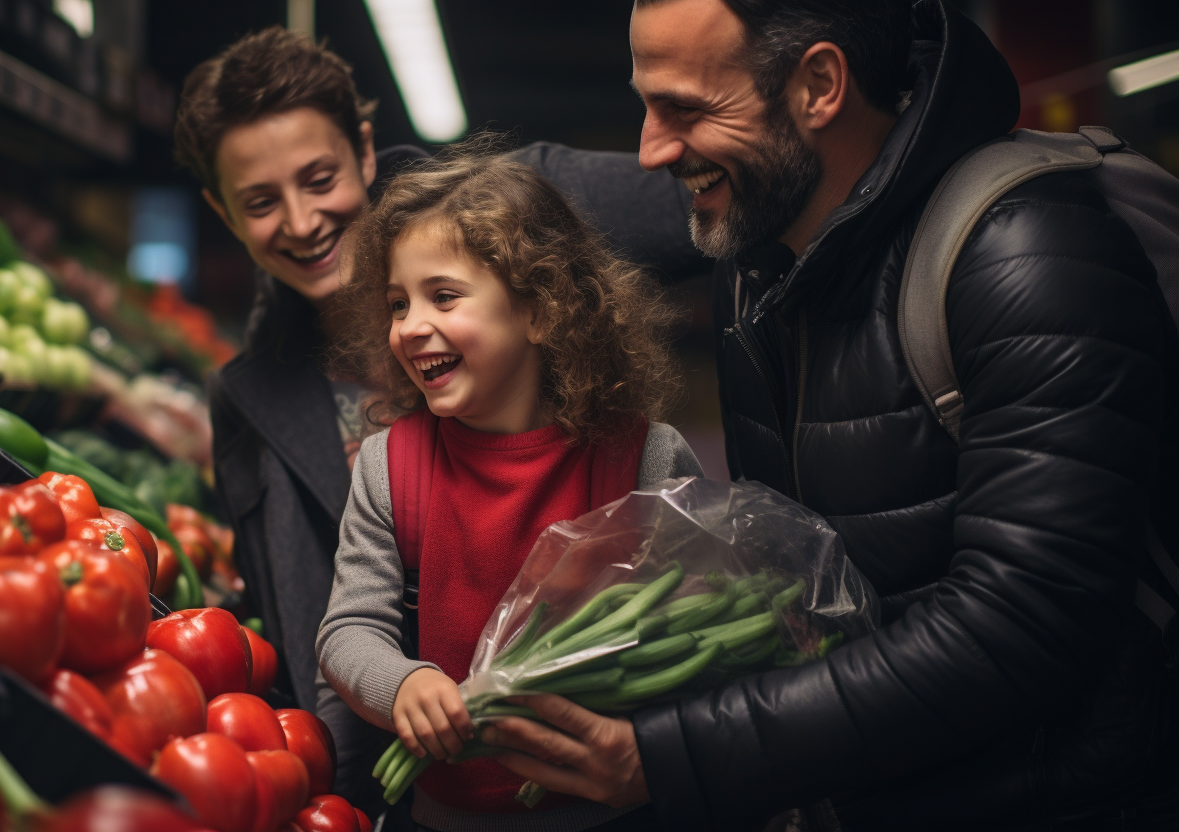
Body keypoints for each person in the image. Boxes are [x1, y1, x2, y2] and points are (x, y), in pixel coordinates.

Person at [483, 0, 1179, 829]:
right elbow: (809, 586)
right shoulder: (754, 266)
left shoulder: (1025, 254)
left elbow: (1027, 620)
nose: (650, 149)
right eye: (646, 103)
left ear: (819, 86)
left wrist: (675, 757)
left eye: (688, 109)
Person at [173, 25, 704, 805]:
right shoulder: (258, 402)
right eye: (259, 202)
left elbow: (725, 189)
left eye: (319, 177)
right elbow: (327, 627)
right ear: (224, 213)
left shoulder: (507, 210)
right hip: (414, 787)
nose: (300, 220)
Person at [315, 148, 703, 832]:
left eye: (443, 295)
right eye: (397, 304)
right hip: (444, 818)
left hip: (617, 816)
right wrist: (402, 681)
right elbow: (349, 629)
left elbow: (694, 634)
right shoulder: (388, 466)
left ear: (540, 311)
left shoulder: (646, 458)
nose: (408, 326)